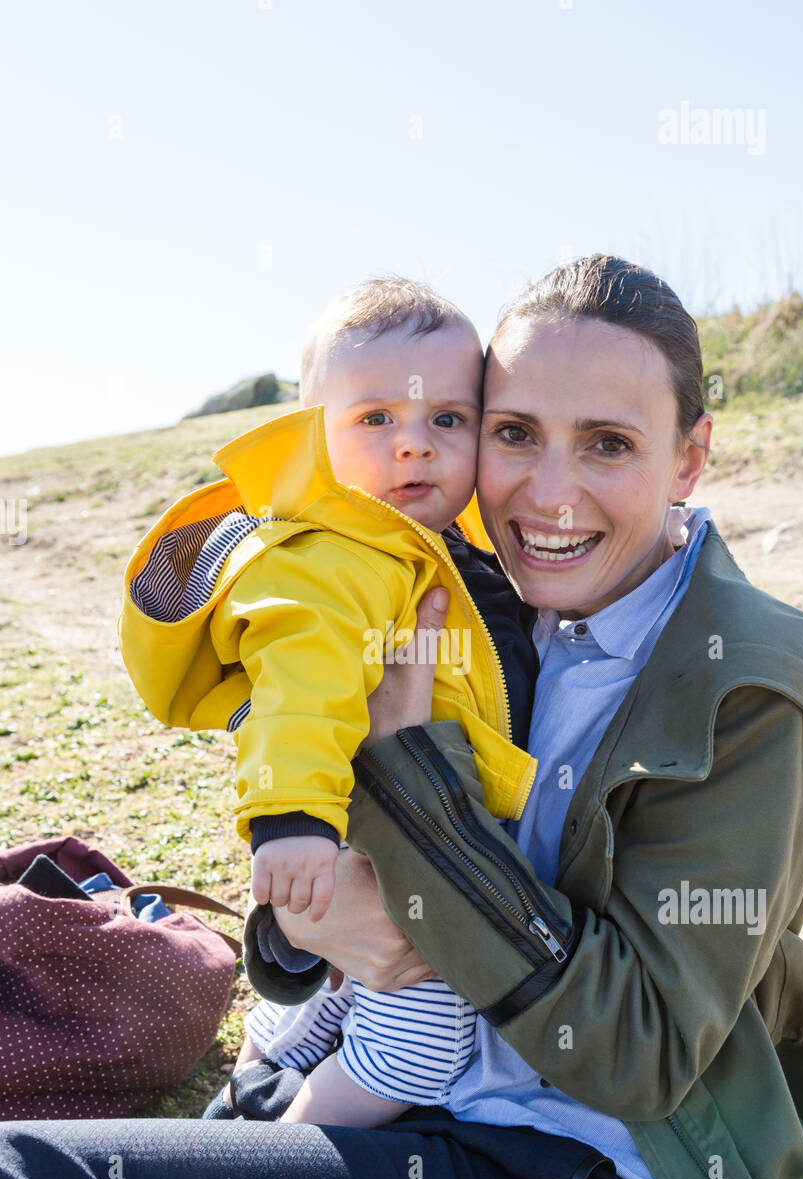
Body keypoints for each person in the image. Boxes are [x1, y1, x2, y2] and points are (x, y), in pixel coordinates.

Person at [0, 254, 803, 1179]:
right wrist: (308, 927)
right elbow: (335, 848)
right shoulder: (488, 601)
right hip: (407, 1096)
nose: (547, 490)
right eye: (515, 432)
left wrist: (416, 802)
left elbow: (641, 1053)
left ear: (690, 457)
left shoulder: (746, 689)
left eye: (608, 444)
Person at [119, 276, 540, 1129]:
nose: (414, 446)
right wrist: (291, 819)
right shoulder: (330, 559)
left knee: (318, 1010)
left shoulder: (452, 548)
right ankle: (276, 1151)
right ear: (314, 433)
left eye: (446, 420)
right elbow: (298, 687)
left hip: (429, 841)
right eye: (375, 419)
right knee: (419, 1044)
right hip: (364, 844)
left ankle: (259, 1079)